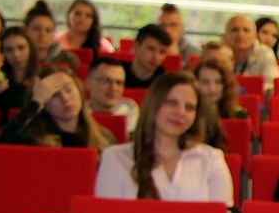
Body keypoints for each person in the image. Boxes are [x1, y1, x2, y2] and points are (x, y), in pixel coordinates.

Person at [95, 71, 231, 204]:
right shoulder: (116, 158)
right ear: (153, 104)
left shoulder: (211, 159)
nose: (181, 112)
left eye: (189, 107)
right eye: (172, 103)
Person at [0, 67, 113, 149]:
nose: (65, 98)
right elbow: (0, 146)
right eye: (54, 95)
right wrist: (35, 103)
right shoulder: (31, 139)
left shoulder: (103, 138)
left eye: (69, 90)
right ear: (44, 103)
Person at [224, 14, 279, 90]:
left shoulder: (265, 53)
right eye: (235, 30)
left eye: (246, 30)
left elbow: (273, 85)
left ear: (255, 35)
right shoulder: (217, 53)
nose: (240, 35)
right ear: (225, 35)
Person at [84, 56, 139, 132]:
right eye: (105, 80)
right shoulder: (78, 113)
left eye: (119, 82)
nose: (113, 88)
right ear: (88, 84)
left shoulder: (129, 108)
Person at [195, 57, 248, 121]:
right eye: (205, 82)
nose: (212, 88)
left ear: (226, 85)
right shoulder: (189, 114)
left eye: (218, 82)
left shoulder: (239, 115)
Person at [121, 24, 172, 90]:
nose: (156, 56)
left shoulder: (166, 83)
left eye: (162, 52)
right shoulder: (116, 74)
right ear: (136, 47)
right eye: (151, 49)